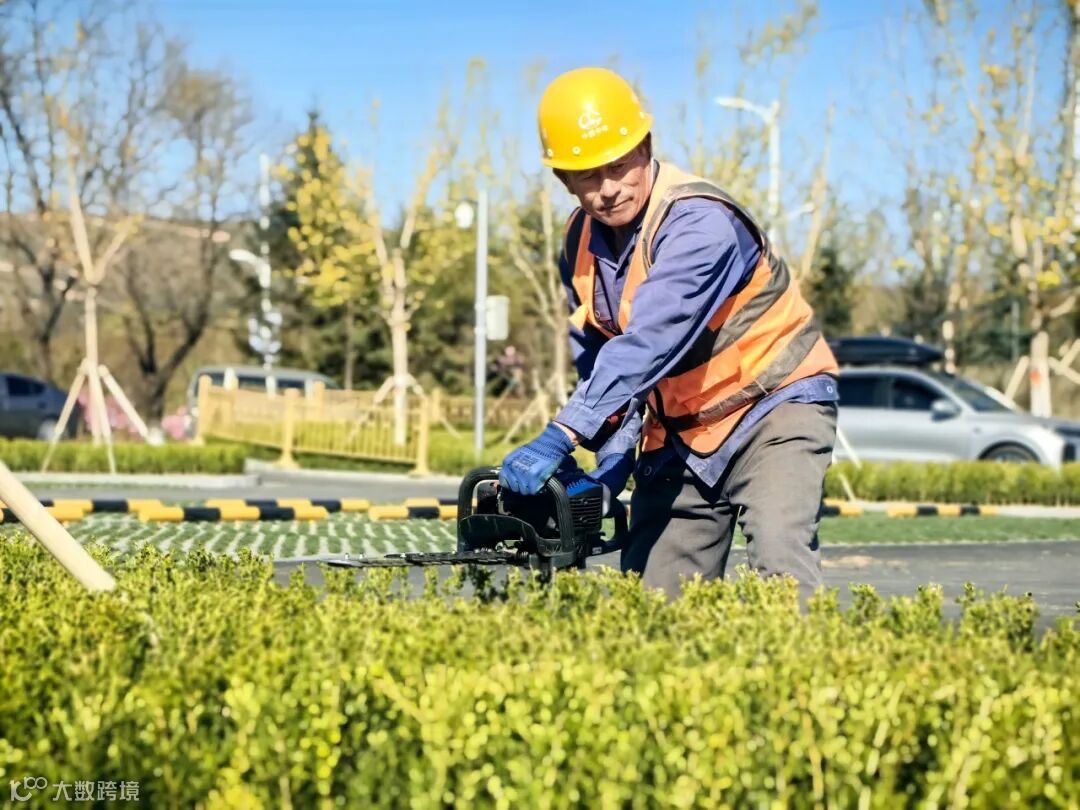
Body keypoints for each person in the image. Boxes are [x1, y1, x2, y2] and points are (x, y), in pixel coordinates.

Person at [498, 66, 840, 601]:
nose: (608, 189)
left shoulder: (701, 222)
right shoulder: (577, 241)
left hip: (772, 406)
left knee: (780, 563)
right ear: (563, 180)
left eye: (618, 166)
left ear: (646, 147)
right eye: (588, 176)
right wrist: (611, 455)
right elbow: (599, 356)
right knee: (654, 598)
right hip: (681, 428)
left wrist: (562, 434)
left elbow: (650, 340)